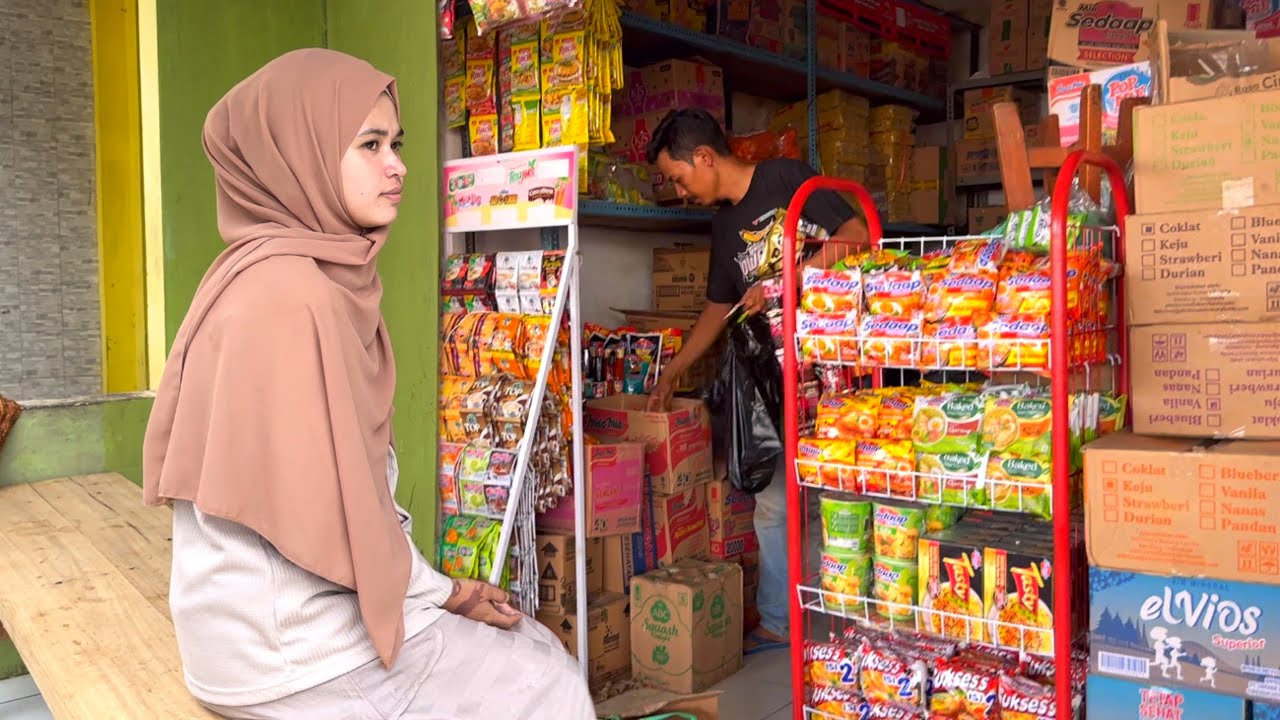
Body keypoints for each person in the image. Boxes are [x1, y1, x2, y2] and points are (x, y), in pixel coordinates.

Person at [141, 49, 594, 720]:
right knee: (547, 678)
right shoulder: (294, 297)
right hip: (291, 652)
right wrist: (436, 591)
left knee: (517, 643)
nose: (398, 165)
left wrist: (438, 589)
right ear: (303, 155)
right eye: (370, 144)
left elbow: (343, 501)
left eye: (396, 143)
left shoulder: (263, 272)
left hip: (254, 634)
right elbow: (328, 520)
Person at [644, 108, 869, 654]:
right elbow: (718, 307)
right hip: (776, 381)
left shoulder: (785, 179)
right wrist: (672, 369)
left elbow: (857, 233)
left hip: (836, 368)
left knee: (840, 493)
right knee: (773, 499)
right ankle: (779, 619)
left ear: (703, 157)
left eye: (678, 177)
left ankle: (855, 616)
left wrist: (786, 279)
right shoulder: (723, 227)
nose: (679, 190)